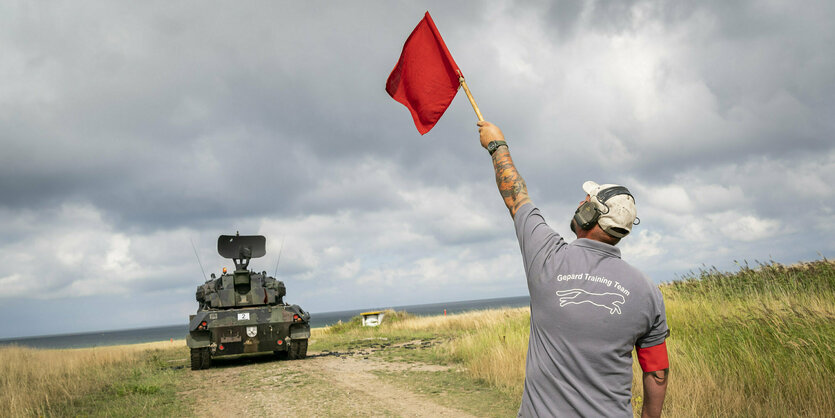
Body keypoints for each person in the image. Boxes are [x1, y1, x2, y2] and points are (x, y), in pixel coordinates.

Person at [477, 121, 670, 417]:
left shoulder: (547, 256)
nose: (581, 203)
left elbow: (516, 195)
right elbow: (656, 370)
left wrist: (496, 146)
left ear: (589, 213)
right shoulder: (647, 291)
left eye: (586, 201)